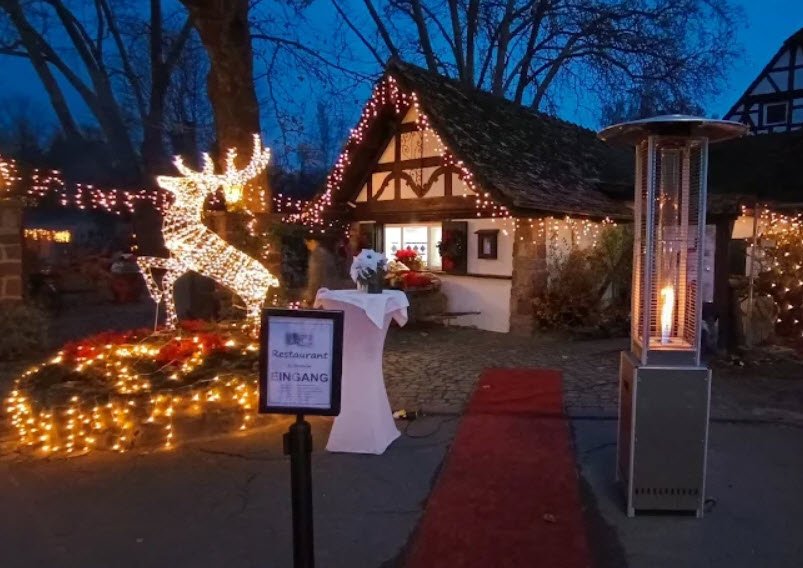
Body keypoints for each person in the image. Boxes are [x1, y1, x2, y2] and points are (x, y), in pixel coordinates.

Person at [303, 234, 339, 306]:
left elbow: (315, 277)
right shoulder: (326, 253)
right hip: (331, 291)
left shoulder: (317, 255)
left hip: (322, 293)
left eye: (307, 243)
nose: (307, 246)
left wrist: (310, 297)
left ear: (313, 241)